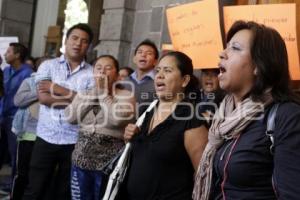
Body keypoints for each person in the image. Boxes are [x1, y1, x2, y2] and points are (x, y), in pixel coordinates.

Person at [193, 20, 300, 200]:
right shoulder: (225, 114)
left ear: (259, 65)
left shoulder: (286, 116)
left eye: (235, 48)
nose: (222, 54)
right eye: (226, 47)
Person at [123, 51, 208, 200]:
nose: (159, 75)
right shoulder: (145, 112)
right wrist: (128, 140)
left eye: (167, 71)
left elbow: (203, 177)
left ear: (184, 80)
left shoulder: (192, 121)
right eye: (158, 70)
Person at [23, 23, 94, 200]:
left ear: (88, 46)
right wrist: (77, 98)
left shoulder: (93, 73)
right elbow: (44, 99)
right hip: (46, 137)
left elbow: (89, 105)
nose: (78, 44)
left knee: (64, 192)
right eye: (75, 38)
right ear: (66, 40)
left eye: (84, 41)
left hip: (74, 141)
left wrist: (56, 87)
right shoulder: (48, 66)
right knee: (35, 188)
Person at [65, 55, 135, 200]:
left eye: (108, 68)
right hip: (81, 160)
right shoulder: (85, 93)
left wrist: (103, 94)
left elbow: (117, 120)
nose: (102, 72)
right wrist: (94, 93)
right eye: (98, 68)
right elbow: (71, 118)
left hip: (109, 164)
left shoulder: (126, 95)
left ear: (116, 74)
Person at [0, 43, 32, 192]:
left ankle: (14, 185)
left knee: (15, 155)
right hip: (3, 115)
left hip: (16, 118)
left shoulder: (28, 73)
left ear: (17, 55)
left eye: (8, 52)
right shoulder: (6, 70)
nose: (5, 54)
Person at [124, 39, 158, 115]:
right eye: (140, 52)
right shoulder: (124, 82)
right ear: (134, 59)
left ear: (155, 61)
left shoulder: (159, 83)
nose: (143, 55)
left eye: (149, 53)